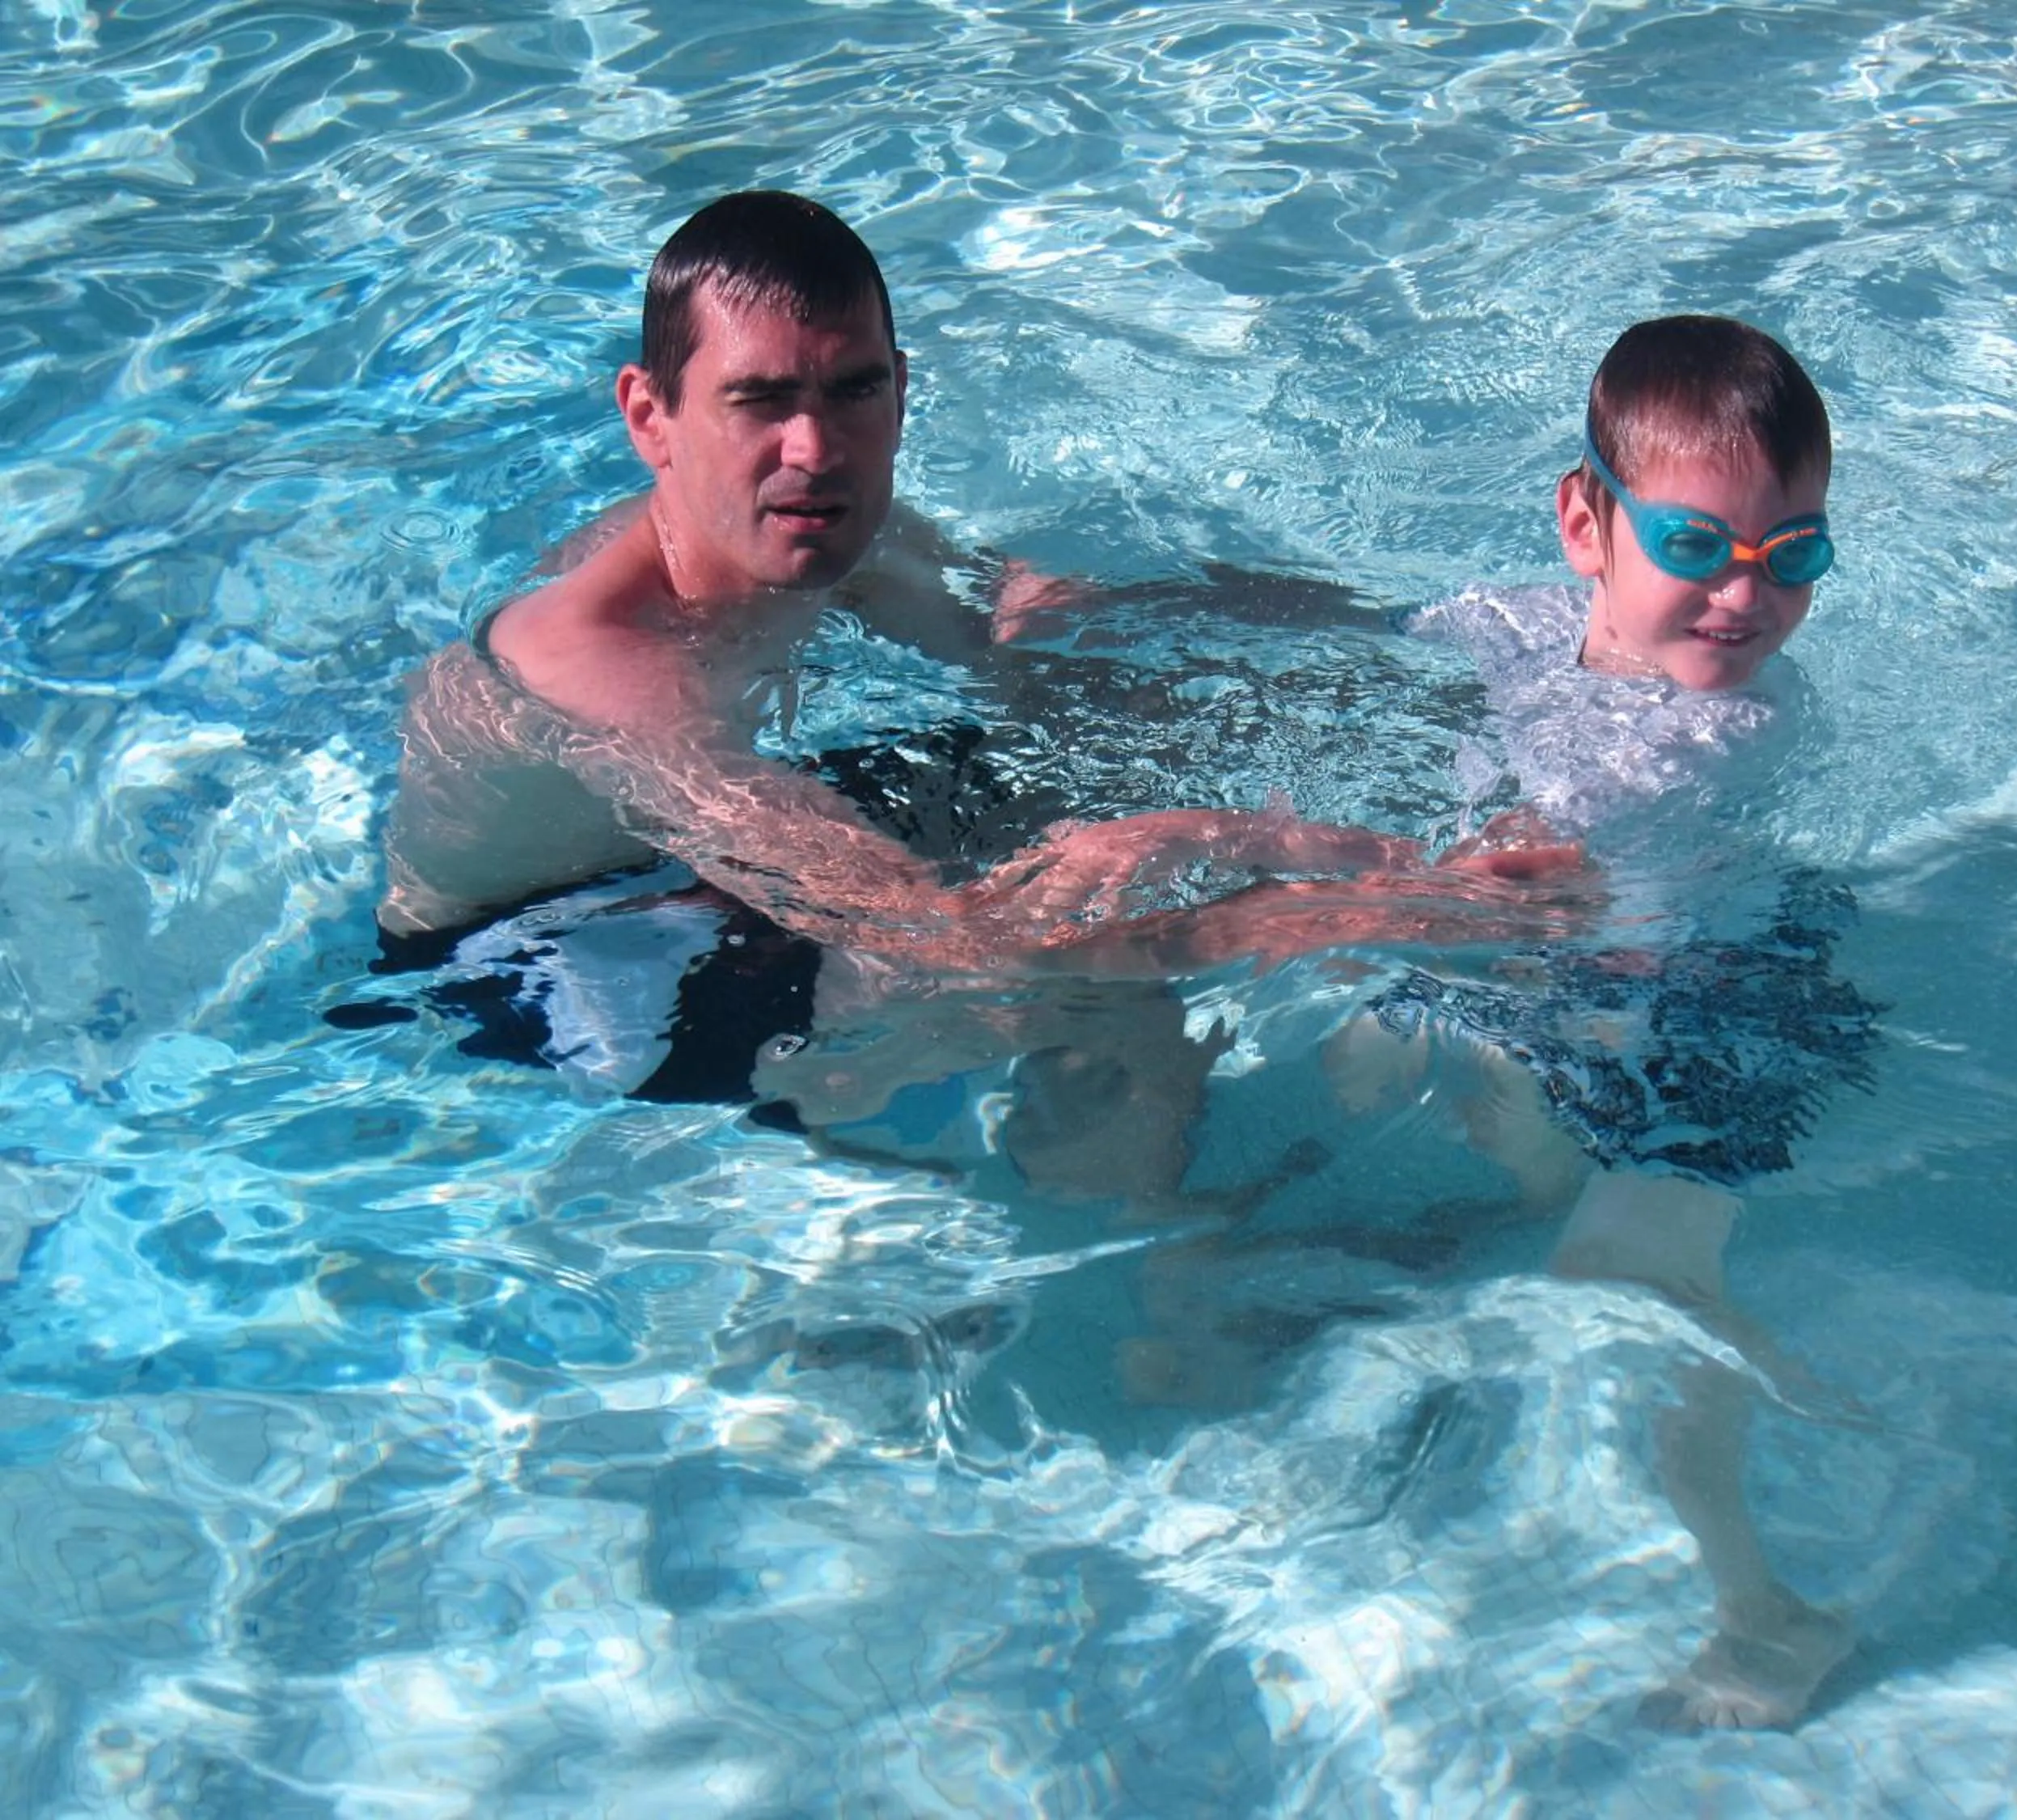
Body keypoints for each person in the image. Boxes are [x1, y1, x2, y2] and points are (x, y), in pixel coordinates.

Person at [366, 190, 1571, 1191]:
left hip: (694, 868)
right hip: (553, 971)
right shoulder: (612, 667)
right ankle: (1142, 1288)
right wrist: (1354, 895)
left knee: (1122, 752)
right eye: (760, 400)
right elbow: (949, 945)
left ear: (899, 388)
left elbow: (1037, 621)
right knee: (1084, 974)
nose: (816, 447)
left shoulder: (826, 522)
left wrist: (1404, 631)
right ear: (651, 417)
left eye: (853, 391)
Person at [1322, 315, 1875, 1731]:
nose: (1745, 599)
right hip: (1590, 987)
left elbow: (1551, 846)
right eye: (1699, 546)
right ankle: (1563, 1193)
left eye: (1792, 553)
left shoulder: (1716, 726)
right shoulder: (1504, 620)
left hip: (1730, 1005)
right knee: (1357, 1066)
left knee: (1623, 1293)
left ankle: (1765, 1614)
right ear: (1585, 521)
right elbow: (1366, 649)